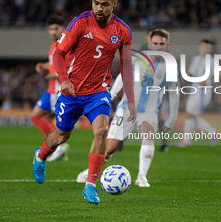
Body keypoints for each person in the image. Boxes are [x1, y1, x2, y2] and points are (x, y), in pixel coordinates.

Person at [32, 0, 137, 205]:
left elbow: (126, 66)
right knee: (62, 136)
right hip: (71, 91)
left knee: (101, 130)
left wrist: (132, 101)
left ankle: (90, 185)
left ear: (114, 4)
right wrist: (64, 79)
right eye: (96, 3)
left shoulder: (122, 31)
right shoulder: (80, 23)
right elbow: (59, 53)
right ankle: (40, 156)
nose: (99, 8)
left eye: (105, 4)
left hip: (98, 91)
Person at [77, 29, 180, 187]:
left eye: (161, 44)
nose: (158, 47)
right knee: (110, 147)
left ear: (167, 45)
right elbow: (122, 77)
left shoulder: (170, 67)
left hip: (149, 112)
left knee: (148, 137)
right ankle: (89, 172)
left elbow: (174, 94)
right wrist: (110, 96)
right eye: (155, 43)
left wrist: (172, 117)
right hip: (126, 109)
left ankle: (141, 177)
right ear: (150, 44)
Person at [30, 16, 69, 161]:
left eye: (56, 29)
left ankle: (59, 146)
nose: (53, 32)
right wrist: (44, 66)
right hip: (52, 88)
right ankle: (56, 147)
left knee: (36, 116)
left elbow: (70, 66)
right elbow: (54, 63)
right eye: (51, 29)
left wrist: (54, 74)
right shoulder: (54, 45)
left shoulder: (64, 44)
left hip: (56, 90)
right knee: (46, 119)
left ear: (62, 29)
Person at [177, 39, 217, 147]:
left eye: (208, 47)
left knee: (190, 114)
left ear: (210, 49)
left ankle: (186, 141)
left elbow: (219, 77)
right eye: (203, 47)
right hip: (194, 90)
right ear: (199, 47)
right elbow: (190, 74)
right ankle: (212, 132)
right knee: (191, 115)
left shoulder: (212, 61)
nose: (205, 49)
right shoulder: (195, 59)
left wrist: (207, 81)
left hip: (204, 92)